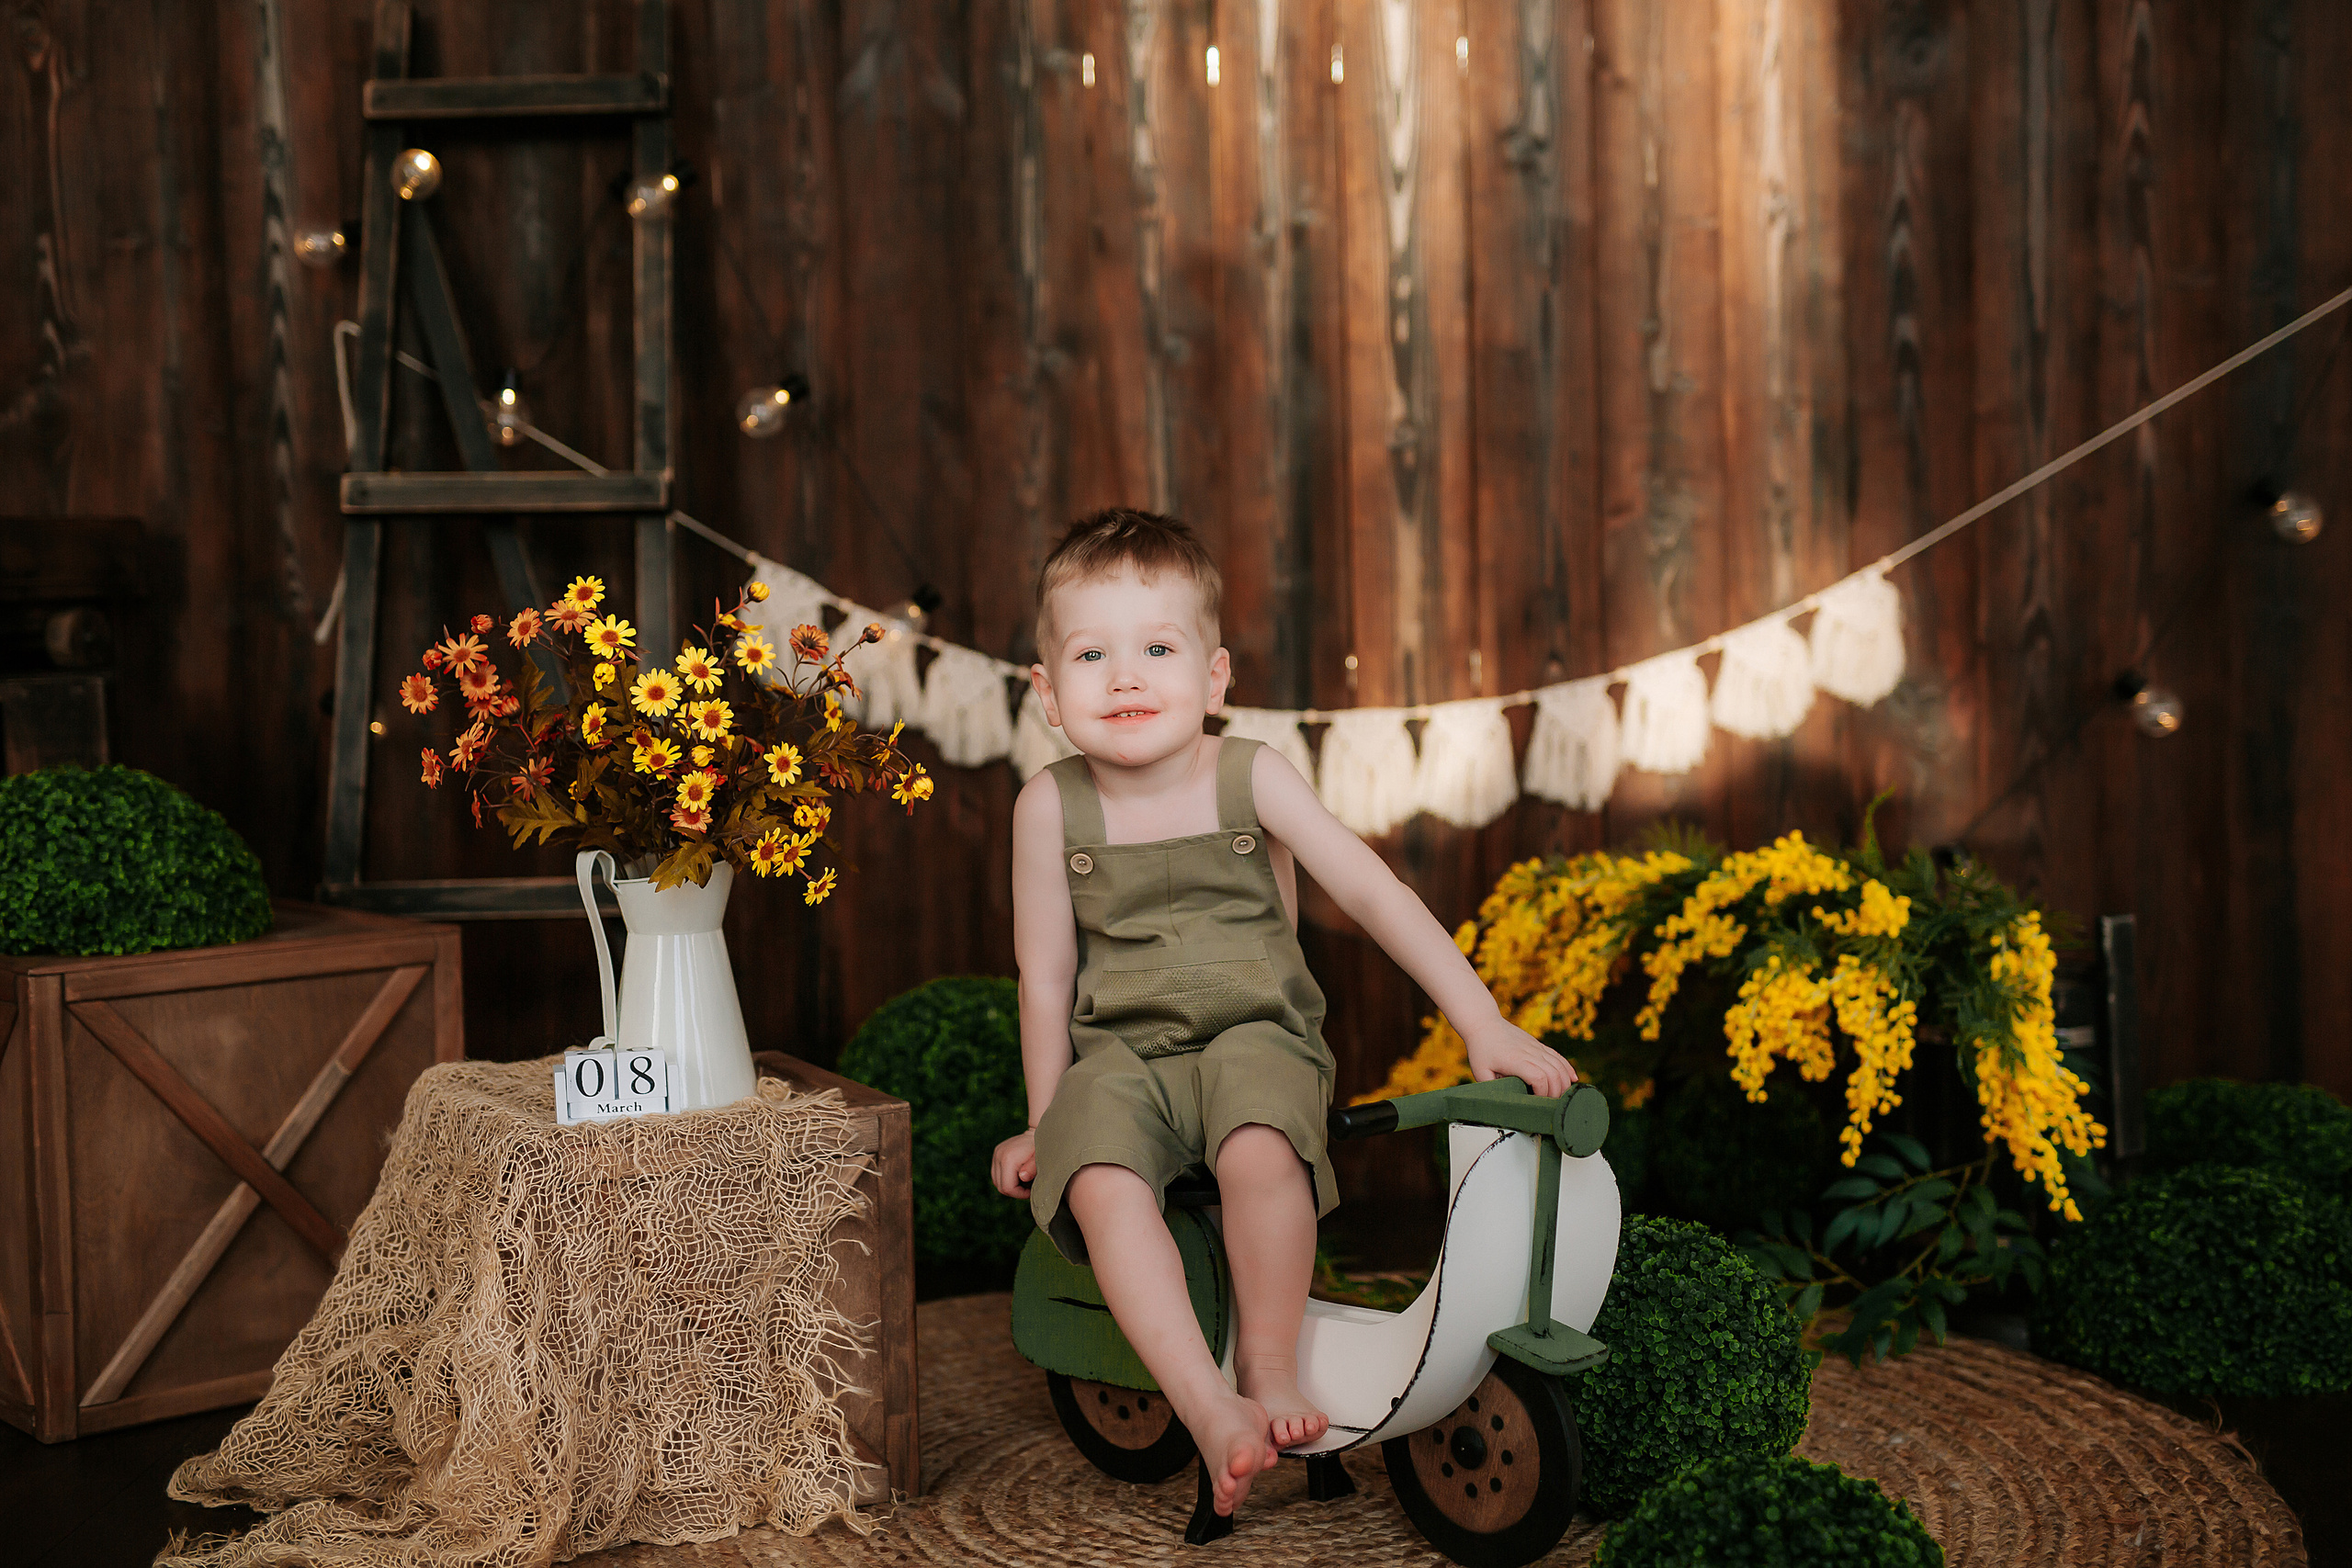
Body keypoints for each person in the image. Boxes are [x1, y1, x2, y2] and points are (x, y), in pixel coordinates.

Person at [989, 509, 1577, 1520]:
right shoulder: (1048, 807)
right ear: (1047, 693)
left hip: (1255, 1033)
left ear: (1214, 679)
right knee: (1098, 1180)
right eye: (1091, 655)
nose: (1125, 678)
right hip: (1122, 1056)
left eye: (1157, 650)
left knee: (1260, 1146)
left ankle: (1266, 1365)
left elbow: (1376, 894)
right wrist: (1049, 1119)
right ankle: (1206, 1404)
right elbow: (1044, 977)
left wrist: (1481, 1021)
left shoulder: (1249, 774)